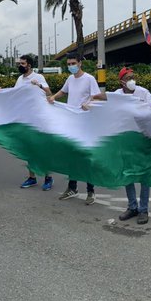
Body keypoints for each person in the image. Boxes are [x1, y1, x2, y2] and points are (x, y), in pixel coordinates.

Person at [50, 54, 108, 204]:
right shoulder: (70, 79)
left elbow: (98, 96)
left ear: (80, 63)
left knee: (86, 157)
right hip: (72, 123)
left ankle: (91, 191)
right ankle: (72, 188)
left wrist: (88, 103)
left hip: (86, 123)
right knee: (72, 157)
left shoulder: (89, 79)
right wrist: (53, 98)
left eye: (73, 63)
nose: (71, 66)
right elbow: (63, 91)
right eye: (69, 64)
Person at [2, 54, 53, 190]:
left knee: (41, 150)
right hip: (25, 119)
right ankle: (32, 178)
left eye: (23, 63)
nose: (20, 65)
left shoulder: (38, 77)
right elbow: (14, 93)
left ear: (29, 65)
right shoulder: (20, 78)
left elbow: (49, 92)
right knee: (29, 150)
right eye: (20, 63)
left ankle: (48, 177)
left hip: (39, 119)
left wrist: (39, 85)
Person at [114, 67, 151, 224]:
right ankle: (132, 206)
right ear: (121, 81)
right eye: (128, 77)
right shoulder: (116, 96)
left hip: (142, 138)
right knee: (128, 174)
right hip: (125, 140)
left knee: (144, 175)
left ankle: (143, 210)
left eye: (133, 77)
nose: (132, 80)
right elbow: (105, 108)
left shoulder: (143, 93)